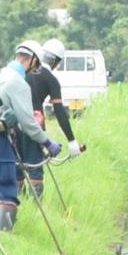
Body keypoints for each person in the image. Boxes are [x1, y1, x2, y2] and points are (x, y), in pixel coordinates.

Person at [0, 40, 61, 230]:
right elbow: (28, 124)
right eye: (36, 65)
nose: (35, 70)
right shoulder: (19, 83)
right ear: (31, 60)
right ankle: (5, 234)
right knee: (8, 188)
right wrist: (47, 142)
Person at [20, 37, 86, 199]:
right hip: (34, 125)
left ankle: (18, 208)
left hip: (14, 123)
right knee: (35, 169)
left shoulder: (22, 71)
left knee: (17, 168)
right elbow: (59, 112)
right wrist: (72, 141)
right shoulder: (51, 79)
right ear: (56, 62)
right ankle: (35, 209)